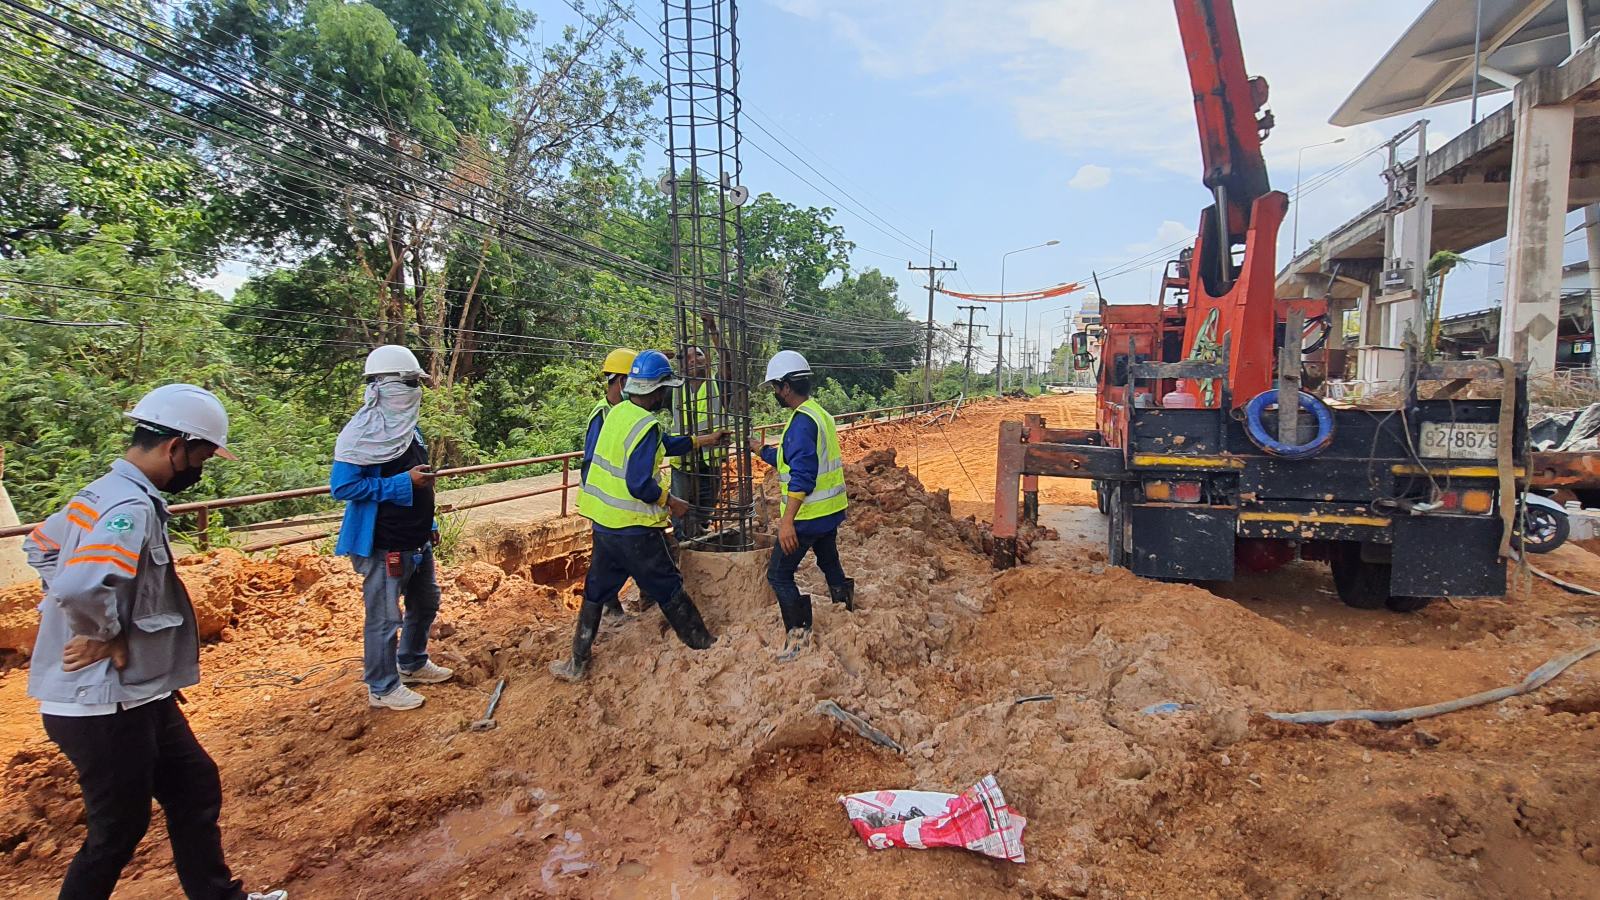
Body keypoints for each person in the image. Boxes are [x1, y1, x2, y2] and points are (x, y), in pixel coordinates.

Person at [22, 384, 287, 900]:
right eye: (203, 455)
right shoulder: (131, 509)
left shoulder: (97, 494)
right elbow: (79, 584)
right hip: (102, 703)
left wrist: (77, 616)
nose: (202, 468)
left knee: (193, 787)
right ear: (176, 447)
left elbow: (42, 548)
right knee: (116, 832)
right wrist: (101, 632)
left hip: (140, 692)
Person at [554, 350, 727, 682]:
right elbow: (639, 484)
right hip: (634, 529)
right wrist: (670, 501)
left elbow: (669, 444)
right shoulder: (645, 424)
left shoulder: (618, 415)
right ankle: (702, 642)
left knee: (596, 589)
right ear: (658, 390)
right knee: (668, 585)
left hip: (605, 525)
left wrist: (704, 439)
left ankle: (577, 661)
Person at [330, 345, 453, 711]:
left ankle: (412, 661)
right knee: (384, 618)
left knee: (426, 600)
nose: (416, 391)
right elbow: (344, 487)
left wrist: (428, 521)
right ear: (384, 387)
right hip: (384, 543)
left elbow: (420, 478)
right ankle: (381, 686)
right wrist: (402, 484)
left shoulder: (409, 431)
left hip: (416, 538)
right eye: (411, 383)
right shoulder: (359, 437)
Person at [748, 350, 854, 661]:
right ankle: (845, 605)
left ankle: (799, 639)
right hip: (830, 512)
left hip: (807, 515)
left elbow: (803, 476)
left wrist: (786, 522)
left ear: (785, 386)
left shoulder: (800, 423)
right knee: (829, 561)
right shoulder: (818, 414)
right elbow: (789, 458)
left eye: (774, 388)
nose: (775, 394)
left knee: (778, 576)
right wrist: (759, 450)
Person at [581, 348, 637, 620]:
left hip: (619, 502)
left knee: (610, 559)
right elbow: (592, 462)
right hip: (608, 503)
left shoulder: (622, 411)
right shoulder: (603, 415)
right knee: (609, 559)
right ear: (623, 382)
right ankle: (610, 607)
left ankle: (610, 606)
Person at [670, 315, 729, 541]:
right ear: (682, 365)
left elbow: (727, 361)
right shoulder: (674, 389)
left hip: (709, 461)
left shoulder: (719, 384)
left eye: (699, 354)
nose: (693, 359)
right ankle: (683, 544)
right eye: (687, 357)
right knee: (681, 511)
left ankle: (701, 538)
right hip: (683, 461)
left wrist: (713, 329)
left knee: (705, 511)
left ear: (708, 360)